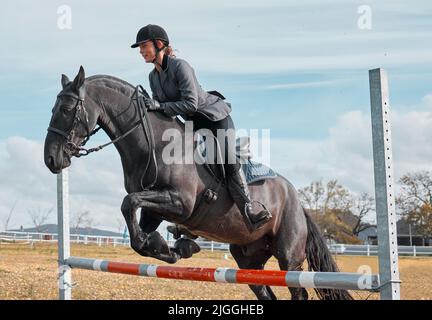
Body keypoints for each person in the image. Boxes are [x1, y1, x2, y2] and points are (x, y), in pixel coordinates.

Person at [131, 24, 271, 230]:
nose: (141, 51)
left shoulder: (181, 67)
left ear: (159, 44)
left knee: (227, 158)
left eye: (144, 46)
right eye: (140, 48)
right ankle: (187, 219)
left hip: (214, 118)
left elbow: (191, 104)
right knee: (179, 163)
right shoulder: (153, 77)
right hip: (191, 123)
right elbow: (162, 110)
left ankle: (249, 209)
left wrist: (159, 105)